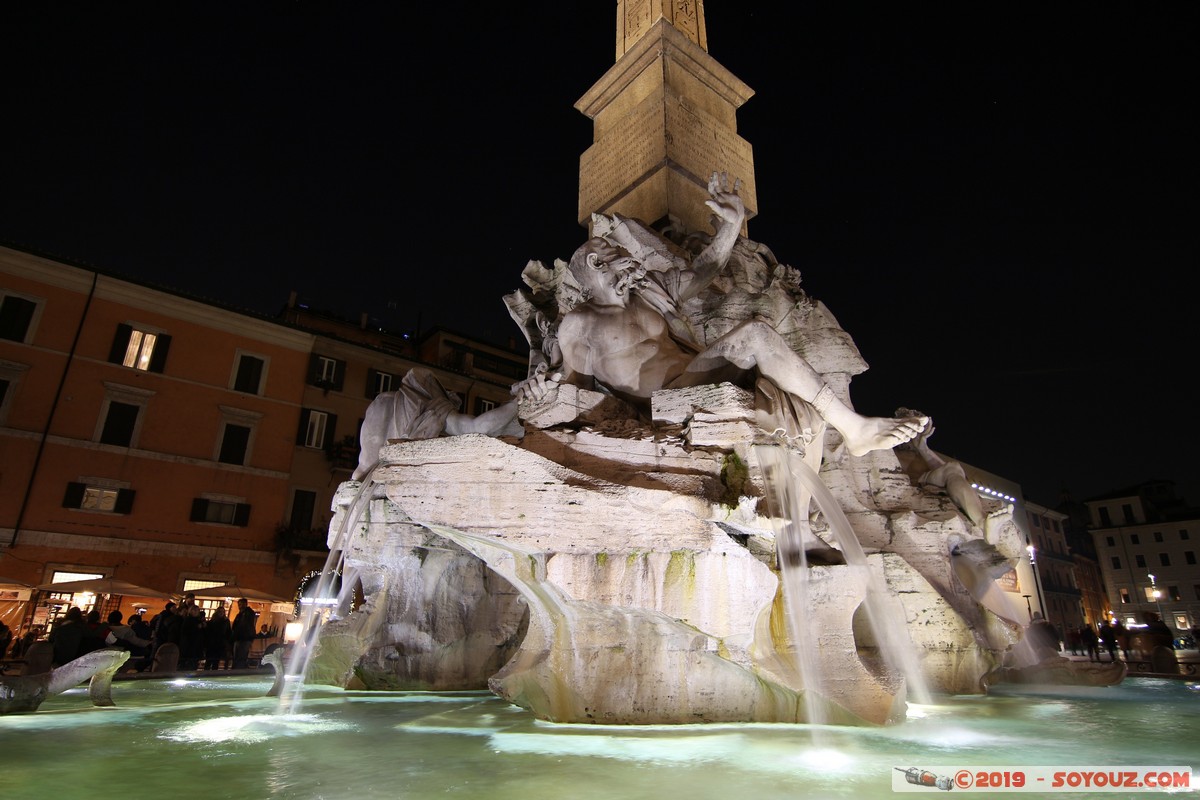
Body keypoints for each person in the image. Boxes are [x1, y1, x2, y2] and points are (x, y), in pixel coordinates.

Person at [513, 172, 927, 458]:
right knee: (756, 336)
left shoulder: (649, 293)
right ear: (596, 266)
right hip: (663, 401)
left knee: (787, 391)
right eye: (614, 252)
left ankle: (819, 484)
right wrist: (541, 392)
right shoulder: (581, 324)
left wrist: (731, 227)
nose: (625, 255)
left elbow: (703, 270)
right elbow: (576, 384)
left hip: (693, 376)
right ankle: (854, 430)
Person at [352, 368, 524, 480]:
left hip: (390, 406)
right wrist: (518, 403)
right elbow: (477, 428)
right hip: (402, 412)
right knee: (366, 468)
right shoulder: (441, 412)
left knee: (364, 468)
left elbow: (363, 468)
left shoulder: (435, 409)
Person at [894, 413, 986, 528]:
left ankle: (983, 521)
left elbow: (950, 470)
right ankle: (982, 521)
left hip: (935, 482)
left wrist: (923, 448)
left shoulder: (919, 455)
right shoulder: (894, 454)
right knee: (953, 468)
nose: (916, 433)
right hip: (911, 487)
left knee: (954, 467)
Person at [230, 598, 259, 669]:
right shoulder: (239, 614)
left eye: (242, 604)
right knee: (236, 656)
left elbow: (245, 625)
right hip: (238, 638)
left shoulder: (248, 613)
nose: (240, 606)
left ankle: (239, 669)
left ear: (246, 604)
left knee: (241, 656)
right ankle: (236, 668)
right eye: (239, 604)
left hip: (245, 638)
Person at [203, 605, 232, 670]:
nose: (221, 613)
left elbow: (228, 632)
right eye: (220, 611)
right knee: (209, 660)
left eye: (222, 612)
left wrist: (227, 642)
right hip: (212, 643)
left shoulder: (225, 621)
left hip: (220, 644)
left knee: (216, 661)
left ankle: (212, 674)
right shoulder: (213, 621)